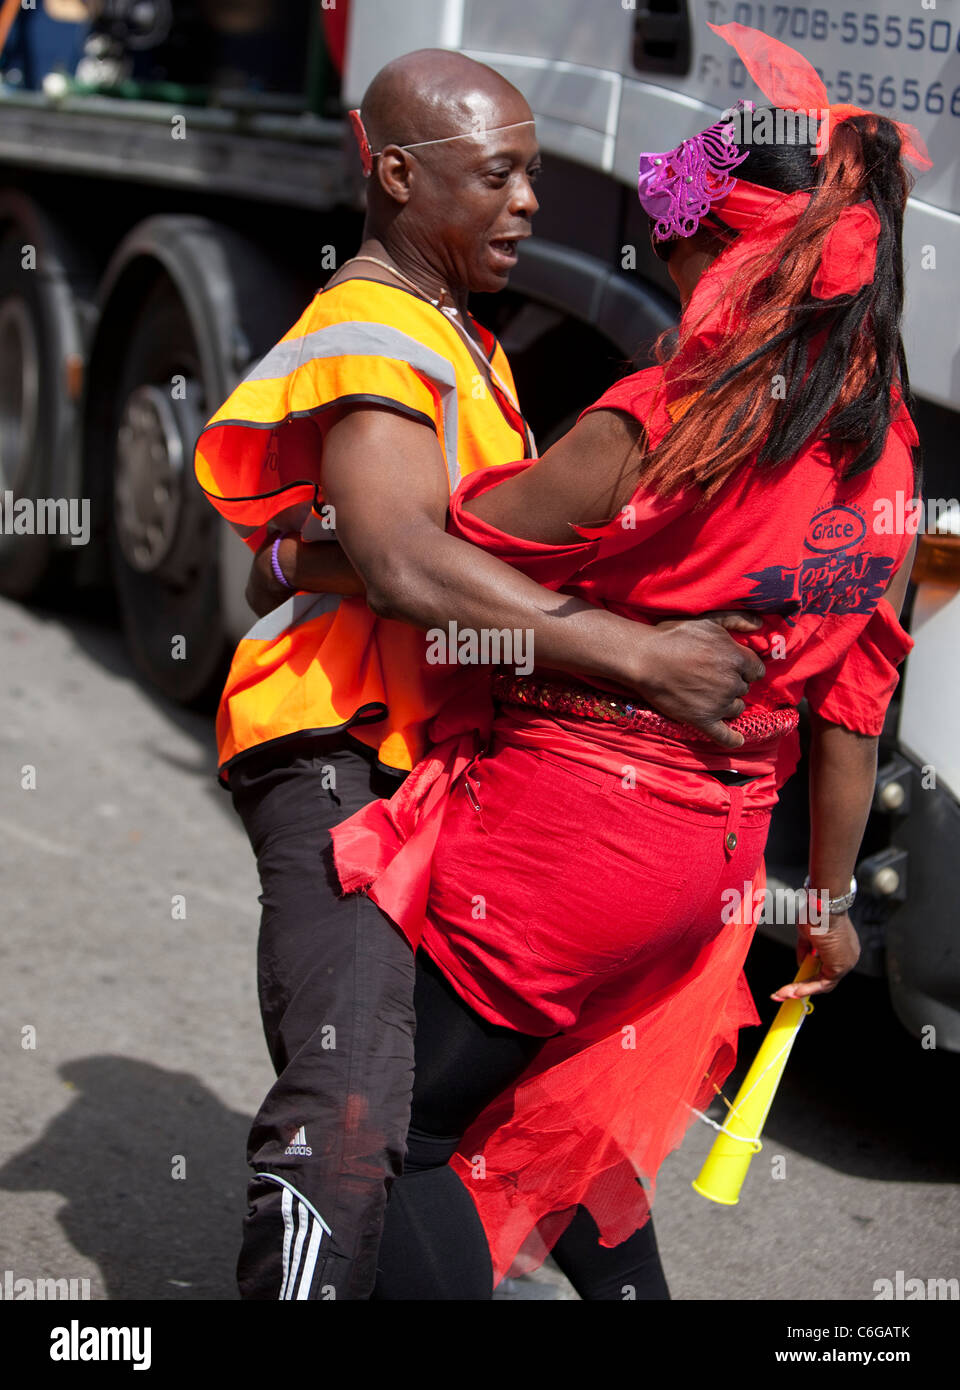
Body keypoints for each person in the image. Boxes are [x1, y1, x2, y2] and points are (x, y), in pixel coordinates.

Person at [331, 22, 931, 1297]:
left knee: (399, 1130)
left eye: (675, 256)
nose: (669, 287)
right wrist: (823, 905)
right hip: (709, 869)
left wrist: (314, 538)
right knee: (571, 1127)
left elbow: (444, 554)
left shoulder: (657, 423)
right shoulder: (889, 457)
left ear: (728, 256)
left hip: (570, 845)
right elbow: (854, 704)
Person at [194, 47, 762, 1300]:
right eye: (497, 175)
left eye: (533, 177)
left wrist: (316, 545)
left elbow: (345, 550)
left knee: (528, 1093)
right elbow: (401, 561)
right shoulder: (375, 324)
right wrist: (641, 658)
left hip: (439, 760)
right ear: (395, 174)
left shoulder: (460, 339)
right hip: (341, 754)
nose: (529, 204)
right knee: (350, 1101)